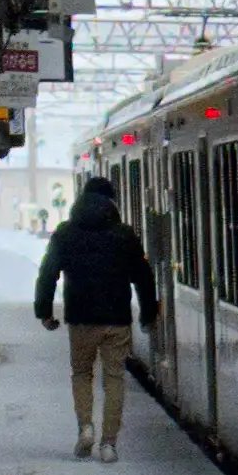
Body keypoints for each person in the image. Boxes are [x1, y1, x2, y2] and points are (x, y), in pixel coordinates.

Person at [34, 173, 160, 460]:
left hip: (80, 319)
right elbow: (143, 276)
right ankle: (109, 444)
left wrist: (44, 312)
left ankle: (86, 428)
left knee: (81, 373)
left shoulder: (65, 233)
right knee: (114, 378)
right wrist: (148, 314)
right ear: (111, 202)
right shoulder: (124, 235)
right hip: (116, 320)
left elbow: (47, 274)